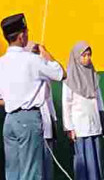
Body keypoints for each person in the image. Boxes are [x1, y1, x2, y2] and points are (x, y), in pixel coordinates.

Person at [0, 13, 65, 180]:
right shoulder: (32, 60)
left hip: (9, 120)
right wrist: (45, 52)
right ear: (22, 36)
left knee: (13, 173)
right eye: (26, 32)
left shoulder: (2, 62)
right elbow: (61, 74)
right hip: (28, 118)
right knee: (31, 172)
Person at [62, 41, 104, 180]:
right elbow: (66, 104)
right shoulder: (69, 78)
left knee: (96, 159)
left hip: (95, 124)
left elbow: (99, 100)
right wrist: (69, 127)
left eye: (89, 55)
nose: (87, 58)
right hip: (79, 127)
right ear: (76, 57)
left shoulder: (92, 74)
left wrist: (102, 119)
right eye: (84, 55)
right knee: (84, 161)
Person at [25, 41, 58, 180]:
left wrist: (54, 120)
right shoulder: (24, 76)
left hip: (47, 127)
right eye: (34, 53)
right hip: (32, 129)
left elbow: (58, 73)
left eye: (38, 53)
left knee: (47, 169)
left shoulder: (44, 74)